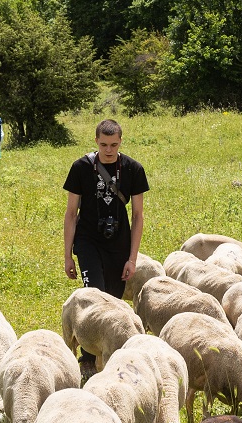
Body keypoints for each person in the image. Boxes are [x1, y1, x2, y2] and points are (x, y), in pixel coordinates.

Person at [62, 119, 147, 373]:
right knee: (94, 295)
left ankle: (109, 356)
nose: (108, 150)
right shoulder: (81, 167)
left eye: (113, 145)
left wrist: (132, 259)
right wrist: (67, 255)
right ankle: (87, 359)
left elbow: (139, 215)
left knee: (113, 299)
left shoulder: (133, 169)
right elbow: (70, 213)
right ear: (96, 141)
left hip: (118, 243)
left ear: (121, 142)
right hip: (88, 240)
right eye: (103, 144)